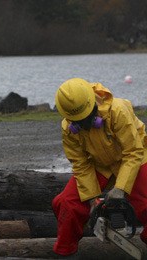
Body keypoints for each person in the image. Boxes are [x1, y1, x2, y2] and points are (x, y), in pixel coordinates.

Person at [53, 77, 147, 256]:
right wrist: (92, 199)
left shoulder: (118, 110)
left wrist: (120, 189)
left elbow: (133, 152)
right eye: (78, 121)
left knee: (145, 204)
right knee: (65, 203)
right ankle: (65, 252)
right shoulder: (68, 128)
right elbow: (80, 164)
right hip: (100, 164)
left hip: (136, 157)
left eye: (86, 119)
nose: (84, 125)